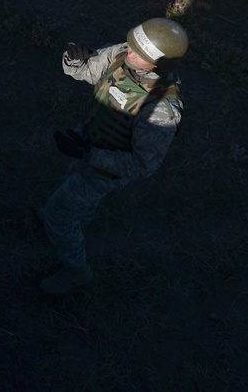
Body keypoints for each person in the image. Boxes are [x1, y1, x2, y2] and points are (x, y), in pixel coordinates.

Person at [37, 18, 188, 295]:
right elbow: (83, 71)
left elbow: (143, 166)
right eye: (130, 46)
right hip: (88, 141)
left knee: (60, 216)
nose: (127, 52)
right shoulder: (125, 54)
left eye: (137, 53)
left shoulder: (160, 109)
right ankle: (73, 221)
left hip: (107, 171)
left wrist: (88, 154)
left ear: (156, 65)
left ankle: (76, 269)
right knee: (73, 190)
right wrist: (72, 58)